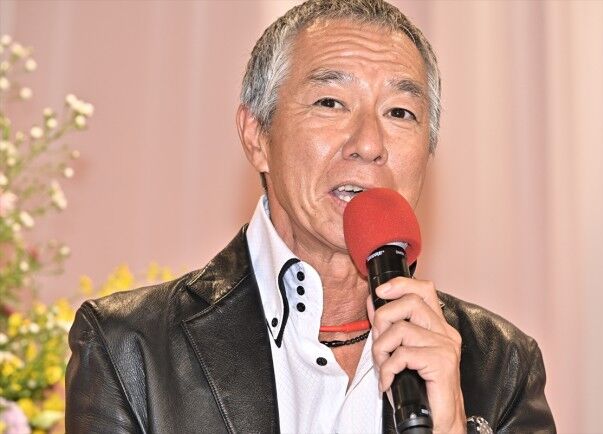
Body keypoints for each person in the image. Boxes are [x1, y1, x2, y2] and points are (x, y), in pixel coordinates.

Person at [65, 0, 555, 432]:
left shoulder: (500, 366)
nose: (369, 144)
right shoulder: (130, 349)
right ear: (257, 136)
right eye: (330, 102)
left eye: (400, 113)